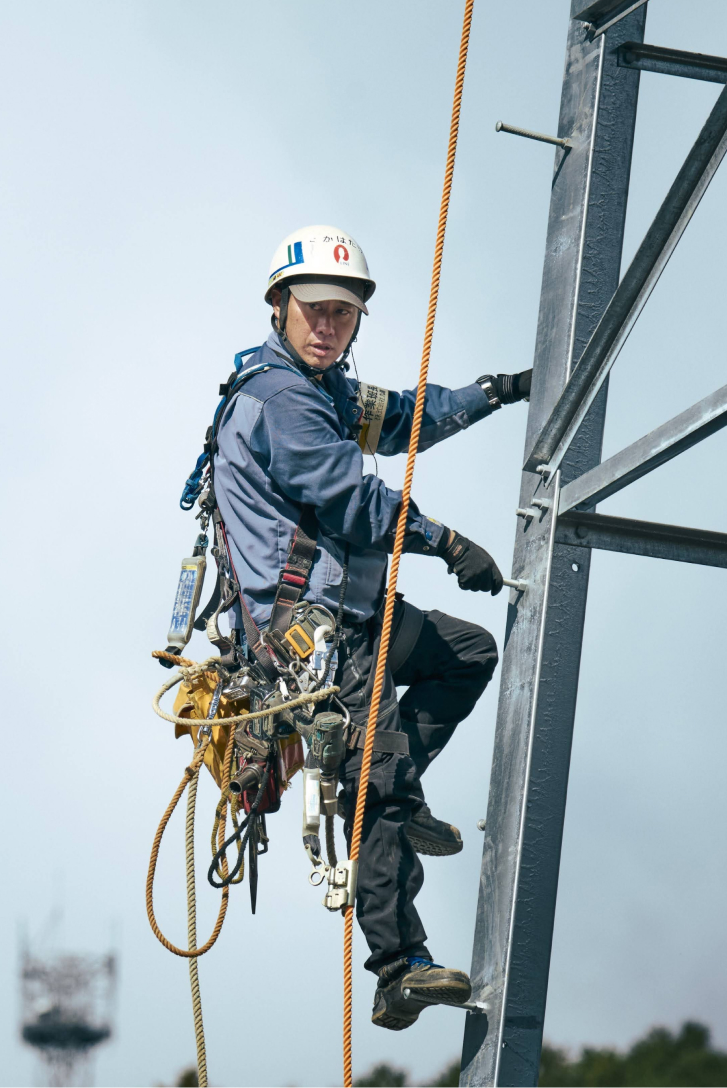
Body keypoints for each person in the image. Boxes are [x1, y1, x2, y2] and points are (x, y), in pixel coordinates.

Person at [208, 224, 531, 1031]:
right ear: (280, 308)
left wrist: (503, 388)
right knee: (377, 783)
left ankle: (392, 790)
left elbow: (405, 421)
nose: (328, 326)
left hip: (357, 615)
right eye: (314, 310)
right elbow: (352, 500)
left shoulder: (328, 394)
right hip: (313, 635)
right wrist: (446, 541)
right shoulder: (280, 401)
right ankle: (400, 968)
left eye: (343, 316)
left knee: (465, 653)